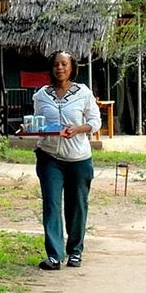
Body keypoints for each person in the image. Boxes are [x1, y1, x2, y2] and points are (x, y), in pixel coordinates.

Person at [33, 50, 101, 270]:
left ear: (72, 68)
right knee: (51, 204)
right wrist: (34, 130)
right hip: (49, 156)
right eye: (56, 64)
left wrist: (78, 129)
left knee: (77, 205)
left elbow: (95, 121)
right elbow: (37, 121)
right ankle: (54, 255)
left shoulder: (83, 93)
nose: (59, 68)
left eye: (64, 64)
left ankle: (75, 251)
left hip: (78, 158)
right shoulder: (42, 95)